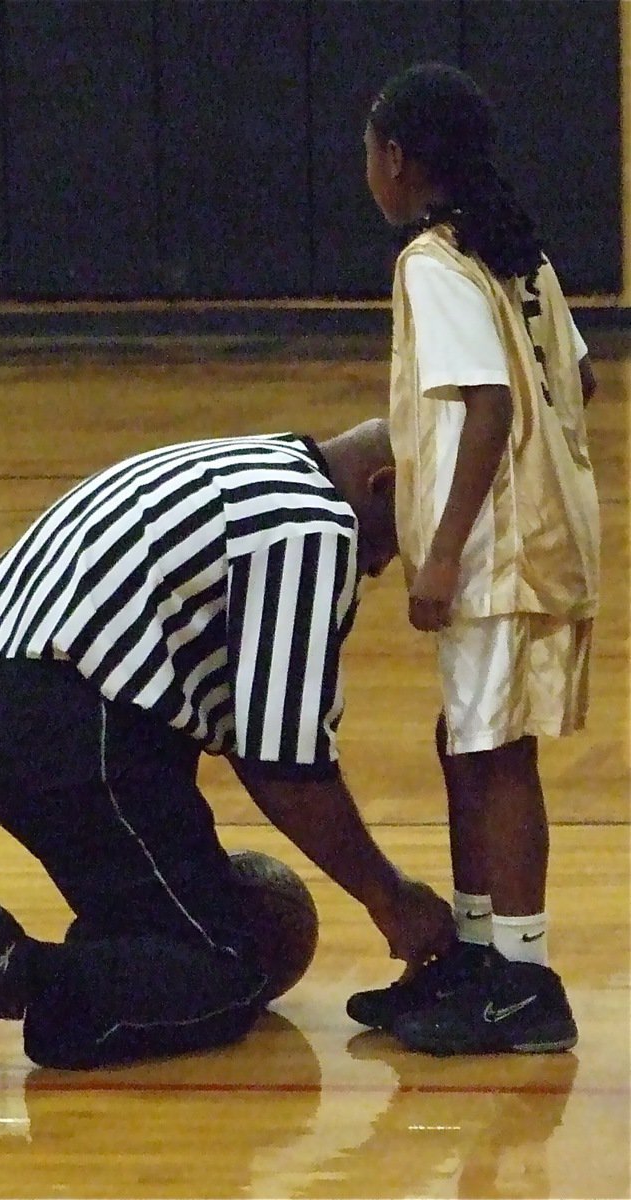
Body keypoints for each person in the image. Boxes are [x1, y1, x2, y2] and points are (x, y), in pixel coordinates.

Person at [0, 419, 455, 1084]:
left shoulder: (263, 466)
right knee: (225, 968)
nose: (382, 566)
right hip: (46, 708)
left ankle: (105, 961)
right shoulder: (312, 530)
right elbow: (284, 764)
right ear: (385, 485)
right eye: (401, 540)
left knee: (163, 925)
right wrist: (391, 897)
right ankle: (3, 969)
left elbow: (248, 727)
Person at [347, 63, 600, 1055]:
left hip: (498, 548)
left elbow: (490, 405)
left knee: (494, 754)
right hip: (549, 529)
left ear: (397, 160)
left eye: (370, 151)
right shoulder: (513, 253)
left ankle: (526, 982)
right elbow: (575, 370)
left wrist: (440, 551)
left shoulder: (430, 264)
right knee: (467, 742)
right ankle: (475, 958)